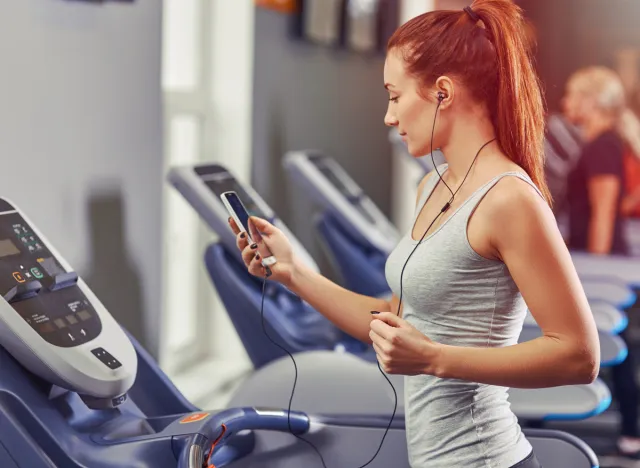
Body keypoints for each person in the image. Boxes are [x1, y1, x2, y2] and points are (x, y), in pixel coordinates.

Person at [231, 1, 600, 467]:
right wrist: (292, 274)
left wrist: (434, 359)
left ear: (442, 92)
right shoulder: (434, 184)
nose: (388, 116)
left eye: (395, 95)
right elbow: (393, 317)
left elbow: (578, 355)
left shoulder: (509, 199)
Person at [562, 66, 640, 459]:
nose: (565, 103)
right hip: (598, 259)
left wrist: (593, 271)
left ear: (591, 102)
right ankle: (632, 427)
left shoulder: (603, 146)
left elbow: (605, 212)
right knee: (619, 346)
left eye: (572, 95)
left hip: (600, 263)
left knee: (617, 346)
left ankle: (632, 429)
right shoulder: (601, 143)